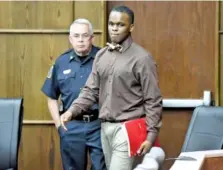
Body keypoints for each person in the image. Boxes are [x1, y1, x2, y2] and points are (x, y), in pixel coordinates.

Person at [61, 6, 162, 170]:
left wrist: (151, 136)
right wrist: (72, 111)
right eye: (111, 24)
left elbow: (153, 100)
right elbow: (90, 90)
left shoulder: (142, 58)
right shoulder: (101, 55)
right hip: (105, 128)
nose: (114, 28)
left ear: (131, 27)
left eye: (120, 25)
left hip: (127, 129)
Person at [41, 18, 106, 170]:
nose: (81, 40)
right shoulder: (61, 62)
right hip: (72, 127)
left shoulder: (104, 58)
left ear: (92, 38)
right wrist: (59, 126)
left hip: (99, 125)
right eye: (76, 36)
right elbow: (51, 97)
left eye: (85, 35)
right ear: (70, 39)